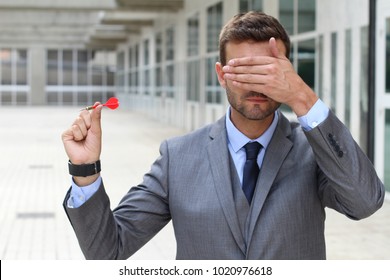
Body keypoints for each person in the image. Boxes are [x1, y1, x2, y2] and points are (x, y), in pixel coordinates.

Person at [62, 11, 384, 260]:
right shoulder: (178, 157)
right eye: (244, 71)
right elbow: (108, 251)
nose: (256, 85)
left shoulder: (313, 151)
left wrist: (302, 98)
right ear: (220, 75)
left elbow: (366, 202)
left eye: (267, 72)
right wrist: (85, 171)